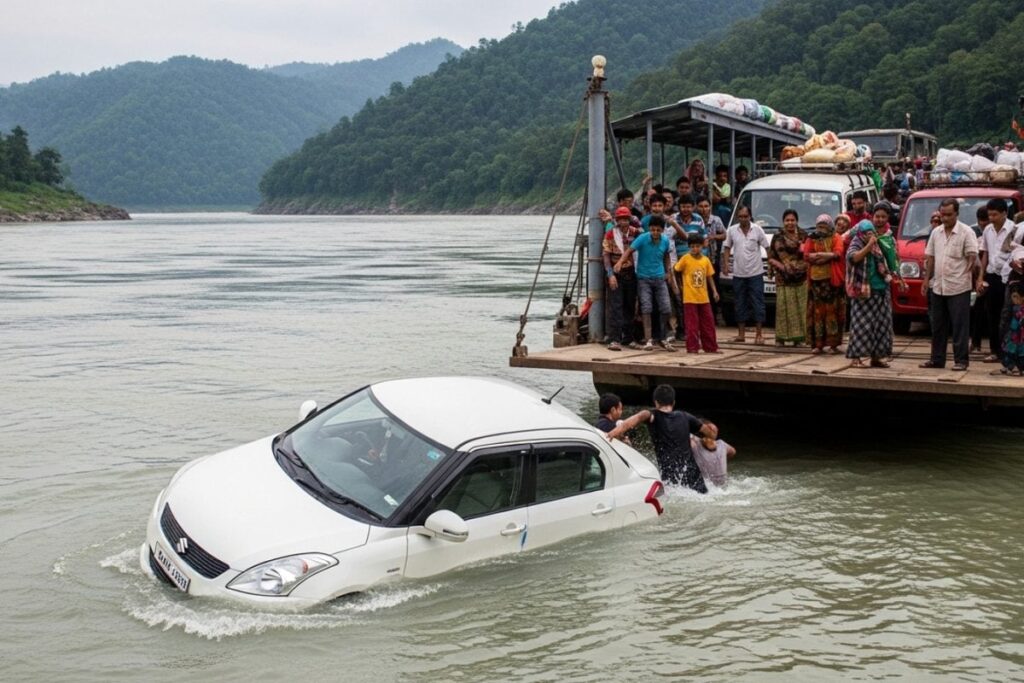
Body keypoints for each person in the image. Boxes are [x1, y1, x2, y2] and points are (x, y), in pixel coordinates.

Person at [920, 198, 978, 371]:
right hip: (938, 286)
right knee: (937, 325)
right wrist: (926, 280)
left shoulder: (967, 232)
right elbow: (930, 257)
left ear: (957, 214)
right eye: (942, 214)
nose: (945, 218)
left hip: (959, 287)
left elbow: (972, 256)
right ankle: (937, 359)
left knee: (960, 326)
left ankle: (961, 360)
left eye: (949, 215)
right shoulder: (936, 233)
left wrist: (965, 274)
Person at [846, 211, 905, 368]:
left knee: (881, 325)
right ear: (860, 233)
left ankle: (877, 357)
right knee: (861, 326)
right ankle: (856, 358)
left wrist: (898, 278)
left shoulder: (881, 241)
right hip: (863, 291)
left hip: (881, 289)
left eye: (871, 232)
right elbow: (853, 258)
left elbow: (891, 261)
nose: (869, 234)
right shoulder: (857, 243)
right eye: (866, 232)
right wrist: (868, 245)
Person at [616, 215, 676, 352]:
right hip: (643, 278)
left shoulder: (665, 240)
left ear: (662, 230)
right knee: (646, 308)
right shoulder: (643, 238)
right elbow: (629, 250)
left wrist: (669, 273)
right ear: (649, 229)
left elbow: (667, 256)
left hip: (660, 278)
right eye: (653, 230)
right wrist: (620, 262)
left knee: (666, 307)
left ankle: (662, 338)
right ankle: (648, 339)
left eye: (658, 230)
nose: (655, 233)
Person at [644, 384, 717, 493]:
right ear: (674, 402)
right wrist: (711, 433)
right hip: (694, 477)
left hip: (672, 482)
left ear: (656, 402)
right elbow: (710, 434)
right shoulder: (685, 416)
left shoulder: (654, 417)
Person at [722, 205, 771, 344]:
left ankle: (759, 334)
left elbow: (767, 247)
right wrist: (726, 264)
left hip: (756, 273)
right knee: (739, 303)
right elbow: (727, 248)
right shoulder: (732, 230)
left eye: (745, 216)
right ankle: (741, 334)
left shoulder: (757, 230)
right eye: (741, 216)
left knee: (758, 303)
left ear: (750, 216)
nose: (743, 219)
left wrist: (771, 265)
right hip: (738, 273)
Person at [976, 199, 1015, 363]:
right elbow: (984, 253)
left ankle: (1009, 350)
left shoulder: (1014, 229)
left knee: (1008, 314)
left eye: (995, 214)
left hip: (1010, 277)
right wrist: (980, 277)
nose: (991, 218)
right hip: (992, 276)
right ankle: (995, 350)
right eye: (989, 214)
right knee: (992, 314)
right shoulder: (987, 231)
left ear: (1004, 213)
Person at [802, 214, 846, 354]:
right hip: (816, 284)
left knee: (832, 312)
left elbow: (838, 253)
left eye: (824, 226)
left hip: (832, 283)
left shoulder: (836, 237)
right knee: (817, 313)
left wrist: (821, 256)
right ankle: (818, 345)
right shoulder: (811, 238)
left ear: (830, 226)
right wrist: (825, 256)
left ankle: (833, 345)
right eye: (819, 226)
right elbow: (806, 255)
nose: (821, 229)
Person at [602, 206, 642, 351]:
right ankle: (614, 339)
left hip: (631, 272)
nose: (623, 222)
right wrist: (610, 274)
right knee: (616, 306)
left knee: (630, 306)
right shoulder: (610, 234)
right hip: (616, 273)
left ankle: (628, 338)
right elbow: (606, 255)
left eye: (626, 219)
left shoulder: (635, 232)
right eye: (621, 220)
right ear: (617, 220)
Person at [768, 209, 809, 346]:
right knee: (783, 309)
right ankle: (781, 338)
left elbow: (808, 255)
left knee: (799, 308)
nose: (790, 223)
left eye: (792, 220)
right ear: (783, 222)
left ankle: (799, 339)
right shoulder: (777, 237)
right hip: (783, 278)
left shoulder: (804, 236)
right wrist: (783, 267)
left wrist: (798, 267)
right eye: (787, 220)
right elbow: (771, 257)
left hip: (801, 278)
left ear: (797, 221)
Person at [674, 233, 720, 353]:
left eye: (697, 246)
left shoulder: (706, 260)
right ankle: (692, 347)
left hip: (704, 297)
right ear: (689, 247)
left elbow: (709, 277)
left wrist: (714, 291)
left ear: (702, 246)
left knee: (708, 323)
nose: (695, 249)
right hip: (689, 297)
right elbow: (676, 270)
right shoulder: (685, 258)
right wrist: (679, 286)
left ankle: (711, 347)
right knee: (692, 325)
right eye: (693, 246)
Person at [1000, 285, 1024, 376]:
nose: (1014, 299)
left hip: (1021, 336)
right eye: (1013, 297)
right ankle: (1008, 366)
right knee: (1010, 352)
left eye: (1016, 297)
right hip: (1013, 335)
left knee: (1021, 354)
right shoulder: (1012, 308)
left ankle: (1020, 368)